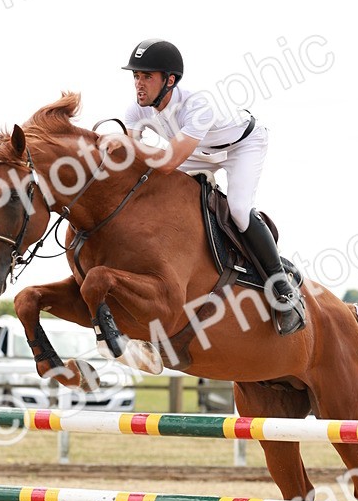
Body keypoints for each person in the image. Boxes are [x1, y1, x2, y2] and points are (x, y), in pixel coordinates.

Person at [119, 38, 303, 331]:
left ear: (170, 80)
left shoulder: (196, 104)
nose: (139, 84)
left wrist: (123, 146)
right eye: (136, 76)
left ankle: (284, 288)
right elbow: (132, 163)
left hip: (241, 146)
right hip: (196, 151)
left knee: (239, 210)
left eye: (147, 76)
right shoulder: (135, 111)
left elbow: (167, 162)